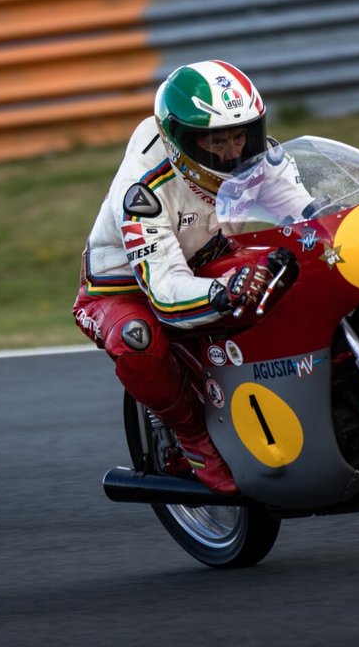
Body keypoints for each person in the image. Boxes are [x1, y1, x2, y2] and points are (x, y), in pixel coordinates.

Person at [72, 60, 283, 495]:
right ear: (181, 140)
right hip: (123, 287)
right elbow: (166, 292)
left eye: (240, 135)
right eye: (217, 140)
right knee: (136, 339)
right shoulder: (143, 189)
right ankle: (194, 441)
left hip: (206, 257)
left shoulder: (256, 159)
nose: (231, 153)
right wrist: (224, 292)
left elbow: (304, 211)